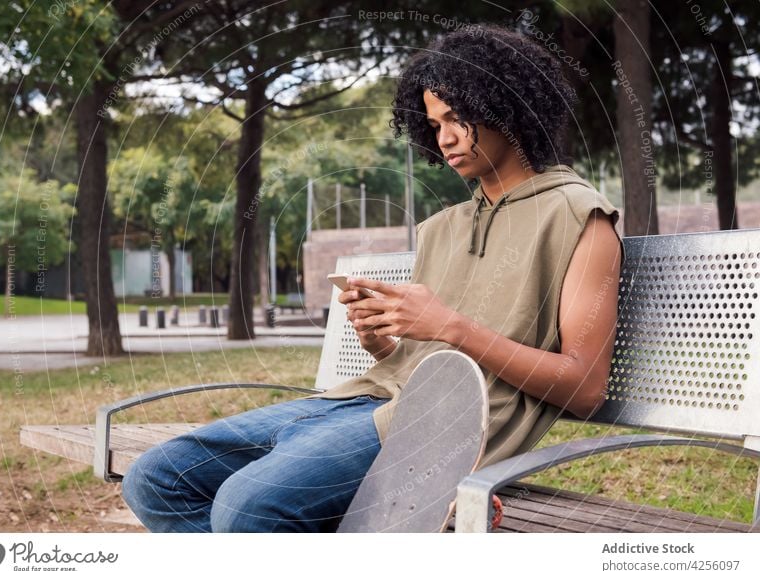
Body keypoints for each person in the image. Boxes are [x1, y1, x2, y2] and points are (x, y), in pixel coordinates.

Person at [121, 22, 624, 533]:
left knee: (247, 506)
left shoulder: (578, 215)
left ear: (508, 110)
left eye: (458, 118)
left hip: (446, 426)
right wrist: (383, 342)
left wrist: (449, 325)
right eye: (432, 125)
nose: (444, 138)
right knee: (157, 478)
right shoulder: (444, 228)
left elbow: (585, 388)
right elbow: (418, 359)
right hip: (367, 397)